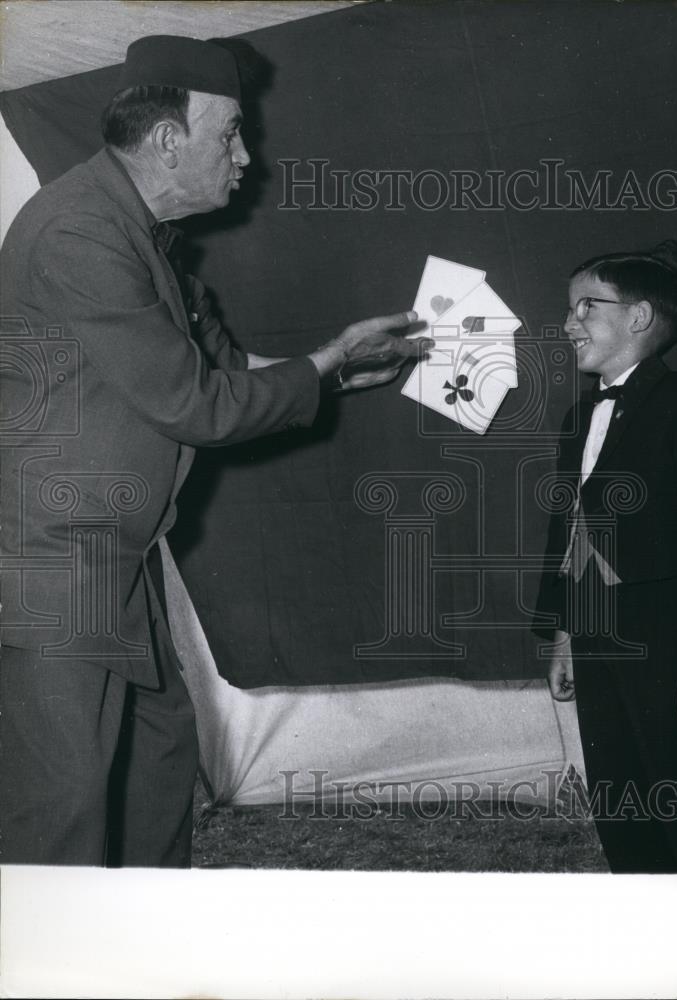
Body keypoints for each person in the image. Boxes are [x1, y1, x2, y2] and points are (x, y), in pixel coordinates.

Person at [0, 35, 432, 867]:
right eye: (230, 134)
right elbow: (197, 404)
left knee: (159, 761)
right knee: (64, 802)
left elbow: (224, 370)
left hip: (112, 555)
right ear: (169, 141)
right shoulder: (79, 235)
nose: (246, 157)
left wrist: (340, 372)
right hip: (56, 560)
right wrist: (322, 364)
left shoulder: (140, 238)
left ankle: (144, 941)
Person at [537, 240, 677, 873]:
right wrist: (563, 634)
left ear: (638, 318)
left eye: (586, 306)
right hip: (599, 639)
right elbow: (570, 532)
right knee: (622, 803)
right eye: (568, 308)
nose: (569, 322)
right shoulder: (580, 416)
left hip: (670, 639)